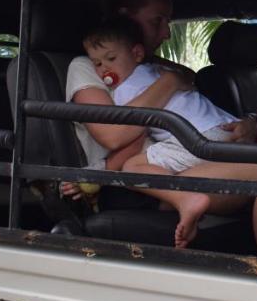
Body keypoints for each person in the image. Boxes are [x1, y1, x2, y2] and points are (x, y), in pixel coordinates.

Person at [79, 16, 241, 247]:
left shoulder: (126, 91)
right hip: (224, 130)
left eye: (111, 59)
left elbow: (127, 135)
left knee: (133, 167)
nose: (105, 68)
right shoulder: (159, 71)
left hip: (198, 141)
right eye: (97, 64)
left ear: (136, 54)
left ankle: (187, 200)